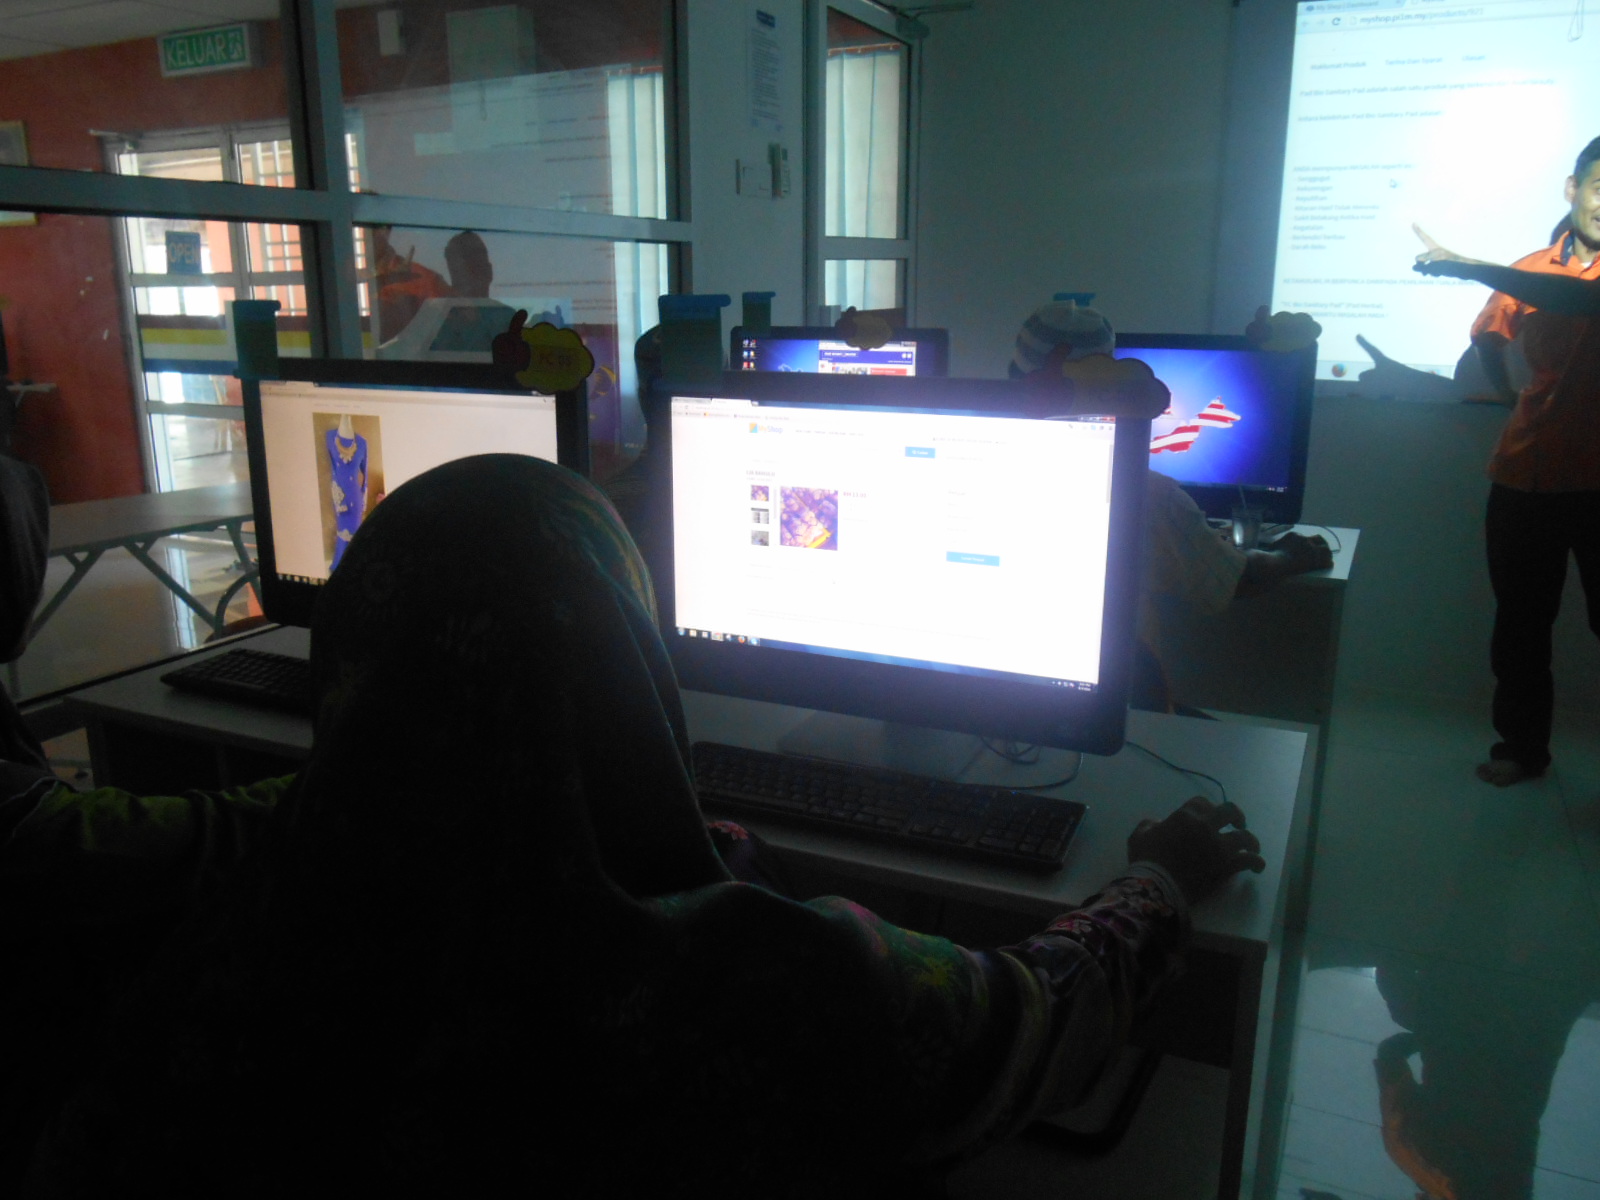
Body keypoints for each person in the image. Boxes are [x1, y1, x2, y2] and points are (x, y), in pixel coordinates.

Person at [1, 454, 1264, 1197]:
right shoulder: (764, 979)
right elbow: (1029, 1018)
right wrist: (1155, 881)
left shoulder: (209, 927)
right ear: (622, 656)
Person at [1009, 301, 1334, 714]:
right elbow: (1236, 579)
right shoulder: (1150, 494)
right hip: (1110, 713)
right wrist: (1289, 556)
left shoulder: (973, 459)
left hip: (999, 703)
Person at [1411, 133, 1600, 786]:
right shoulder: (1533, 266)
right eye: (1599, 187)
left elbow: (1580, 300)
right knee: (1520, 623)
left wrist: (1471, 265)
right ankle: (1521, 749)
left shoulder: (1536, 277)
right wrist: (1505, 393)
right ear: (1573, 188)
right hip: (1524, 474)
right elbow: (1488, 334)